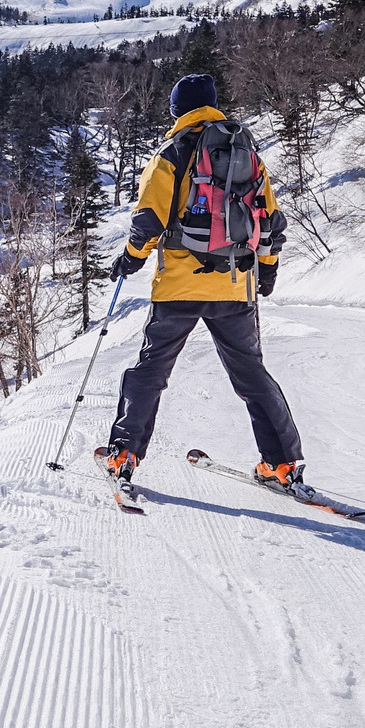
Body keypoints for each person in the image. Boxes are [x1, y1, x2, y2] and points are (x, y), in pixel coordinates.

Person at [99, 73, 309, 496]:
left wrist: (130, 260)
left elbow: (149, 220)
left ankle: (124, 454)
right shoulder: (248, 153)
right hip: (236, 285)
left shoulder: (172, 152)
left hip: (179, 286)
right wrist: (266, 269)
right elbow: (270, 220)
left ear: (176, 109)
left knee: (151, 371)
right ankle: (282, 464)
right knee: (252, 376)